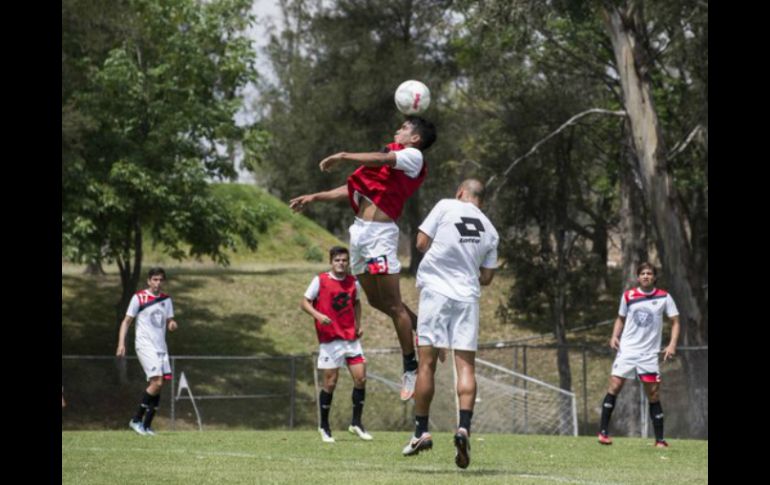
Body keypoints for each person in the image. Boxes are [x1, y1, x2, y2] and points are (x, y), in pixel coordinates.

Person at [290, 115, 437, 401]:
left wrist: (344, 155)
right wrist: (314, 197)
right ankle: (426, 330)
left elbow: (382, 160)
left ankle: (410, 367)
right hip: (360, 235)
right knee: (374, 300)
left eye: (405, 128)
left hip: (380, 235)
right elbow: (353, 190)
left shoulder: (412, 156)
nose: (399, 129)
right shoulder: (388, 163)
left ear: (416, 139)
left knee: (394, 305)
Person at [400, 179, 499, 469]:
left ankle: (421, 431)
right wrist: (466, 268)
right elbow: (488, 277)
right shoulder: (490, 229)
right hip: (467, 297)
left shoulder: (445, 205)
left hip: (436, 293)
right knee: (466, 366)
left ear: (460, 193)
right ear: (481, 200)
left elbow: (420, 242)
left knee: (427, 363)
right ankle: (464, 426)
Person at [597, 262, 680, 448]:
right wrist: (614, 336)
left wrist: (672, 344)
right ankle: (603, 433)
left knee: (653, 394)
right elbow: (620, 318)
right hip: (627, 351)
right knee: (615, 386)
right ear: (637, 277)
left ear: (654, 277)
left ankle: (660, 440)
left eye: (649, 273)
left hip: (649, 355)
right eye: (642, 273)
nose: (646, 276)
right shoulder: (629, 296)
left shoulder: (664, 297)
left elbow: (675, 321)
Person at [301, 246, 373, 443]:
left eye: (344, 260)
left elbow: (357, 303)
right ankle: (324, 426)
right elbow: (305, 302)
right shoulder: (320, 280)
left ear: (348, 262)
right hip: (330, 340)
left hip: (351, 339)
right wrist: (318, 315)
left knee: (361, 379)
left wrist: (358, 324)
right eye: (337, 260)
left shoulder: (353, 282)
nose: (341, 263)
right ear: (331, 261)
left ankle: (356, 423)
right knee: (330, 383)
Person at [116, 267, 178, 436]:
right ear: (149, 281)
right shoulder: (139, 298)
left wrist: (172, 324)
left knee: (159, 385)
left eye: (160, 280)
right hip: (144, 345)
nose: (158, 283)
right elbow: (126, 321)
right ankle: (136, 420)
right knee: (156, 382)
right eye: (155, 280)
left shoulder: (166, 300)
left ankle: (147, 425)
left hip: (161, 348)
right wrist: (121, 343)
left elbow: (170, 321)